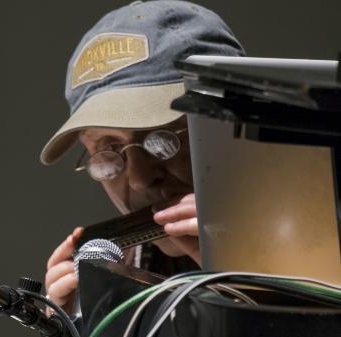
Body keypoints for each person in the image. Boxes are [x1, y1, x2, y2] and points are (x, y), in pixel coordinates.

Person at [40, 0, 244, 313]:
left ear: (235, 125)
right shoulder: (120, 275)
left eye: (161, 140)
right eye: (107, 150)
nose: (138, 178)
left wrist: (256, 282)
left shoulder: (325, 237)